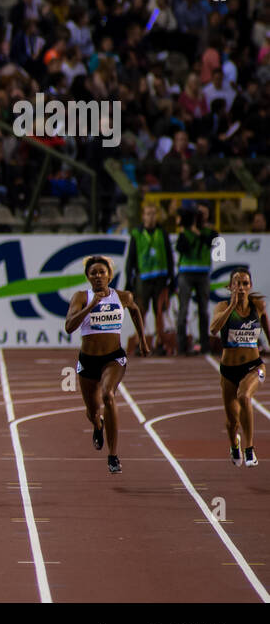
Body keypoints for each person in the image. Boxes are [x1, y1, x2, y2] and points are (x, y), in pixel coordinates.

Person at [65, 256, 148, 474]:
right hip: (87, 360)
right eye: (93, 273)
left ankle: (113, 455)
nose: (98, 276)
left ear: (110, 275)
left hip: (114, 358)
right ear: (88, 277)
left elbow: (136, 310)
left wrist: (143, 339)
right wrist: (91, 306)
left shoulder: (122, 296)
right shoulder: (81, 297)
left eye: (102, 272)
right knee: (92, 411)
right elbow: (69, 326)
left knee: (108, 395)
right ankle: (97, 424)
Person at [209, 268, 266, 467]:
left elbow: (266, 326)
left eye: (245, 283)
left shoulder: (257, 305)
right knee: (232, 422)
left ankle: (249, 449)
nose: (241, 288)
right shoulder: (222, 306)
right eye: (237, 283)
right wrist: (231, 306)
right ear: (230, 286)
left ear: (250, 286)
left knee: (245, 396)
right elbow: (214, 329)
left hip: (253, 366)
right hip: (228, 370)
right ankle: (235, 444)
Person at [124, 203, 175, 355]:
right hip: (143, 278)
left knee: (159, 312)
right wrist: (129, 279)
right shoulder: (137, 234)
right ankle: (142, 343)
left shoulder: (162, 233)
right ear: (143, 216)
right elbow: (131, 259)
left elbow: (169, 256)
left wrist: (172, 277)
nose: (151, 216)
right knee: (141, 312)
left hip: (160, 278)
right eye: (148, 213)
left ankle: (160, 342)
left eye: (154, 213)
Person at [174, 204, 218, 355]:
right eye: (197, 214)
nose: (199, 216)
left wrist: (197, 232)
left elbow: (210, 242)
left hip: (203, 274)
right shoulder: (185, 232)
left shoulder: (211, 232)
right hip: (186, 273)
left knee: (203, 311)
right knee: (183, 310)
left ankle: (205, 346)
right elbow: (181, 249)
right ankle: (181, 347)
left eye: (203, 213)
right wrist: (187, 229)